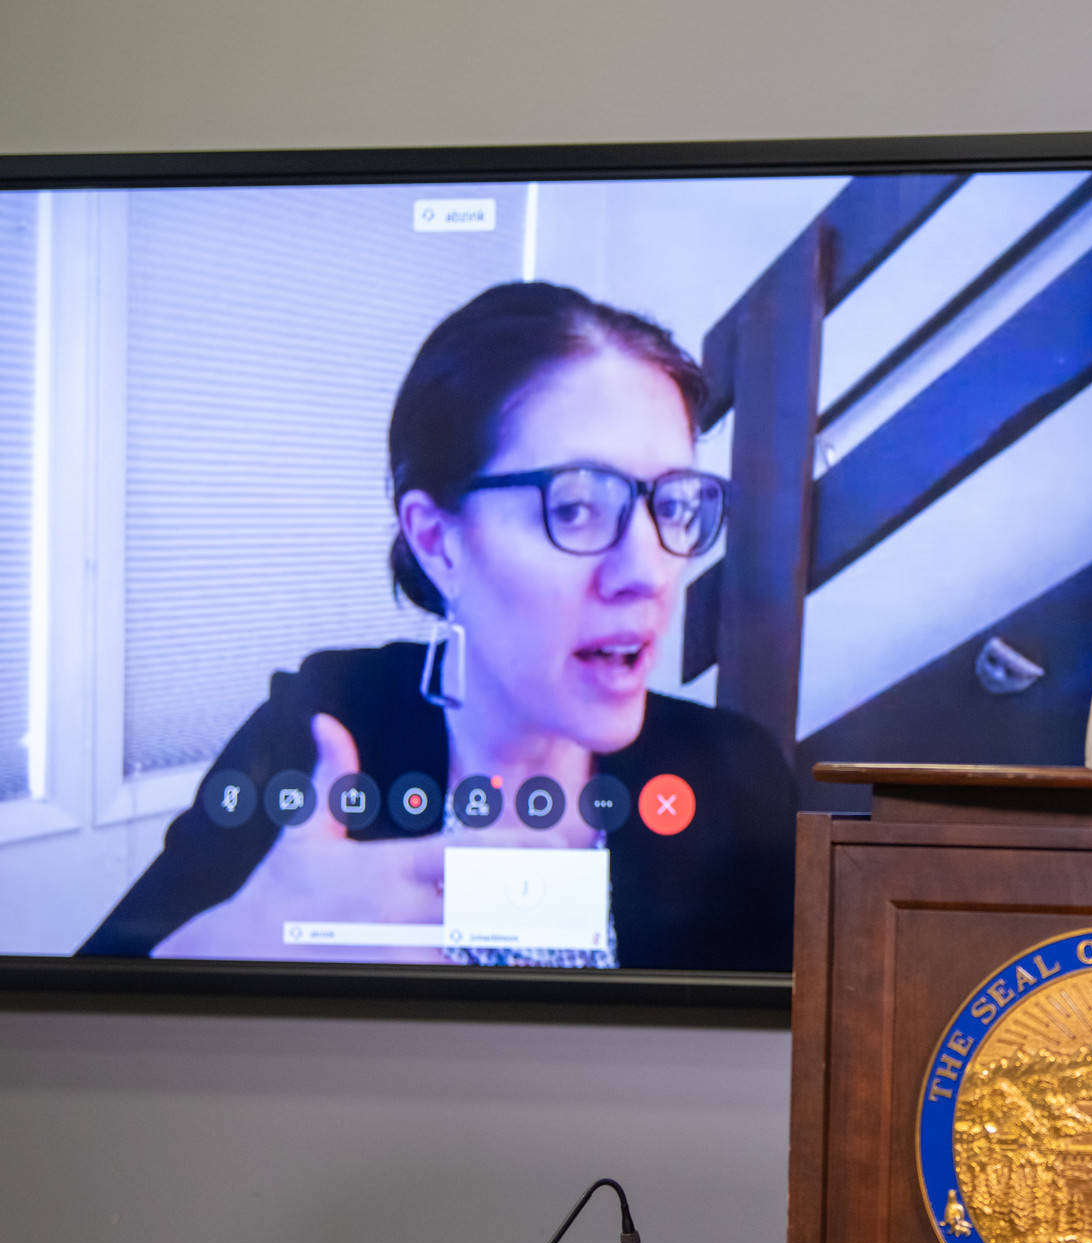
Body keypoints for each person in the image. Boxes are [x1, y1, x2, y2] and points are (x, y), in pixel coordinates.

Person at [78, 282, 797, 972]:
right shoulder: (327, 726)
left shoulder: (735, 776)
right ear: (438, 541)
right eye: (576, 506)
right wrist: (229, 949)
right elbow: (78, 1041)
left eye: (672, 503)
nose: (648, 568)